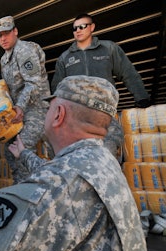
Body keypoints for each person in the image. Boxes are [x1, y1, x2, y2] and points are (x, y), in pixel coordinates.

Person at [0, 75, 149, 251]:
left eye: (49, 108)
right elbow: (55, 174)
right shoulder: (100, 162)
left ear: (58, 114)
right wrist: (24, 154)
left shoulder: (63, 183)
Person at [51, 13, 151, 159]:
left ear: (92, 27)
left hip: (104, 114)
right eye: (74, 28)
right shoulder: (65, 58)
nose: (78, 30)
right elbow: (57, 89)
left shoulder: (108, 48)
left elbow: (127, 72)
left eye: (82, 26)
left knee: (108, 154)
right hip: (77, 117)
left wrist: (141, 96)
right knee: (77, 159)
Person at [0, 16, 51, 182]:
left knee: (22, 146)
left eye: (6, 33)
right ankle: (22, 185)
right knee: (9, 149)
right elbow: (11, 88)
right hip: (20, 109)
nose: (3, 38)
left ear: (15, 31)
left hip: (37, 108)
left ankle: (29, 192)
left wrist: (20, 107)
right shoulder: (4, 59)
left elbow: (33, 83)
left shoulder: (24, 50)